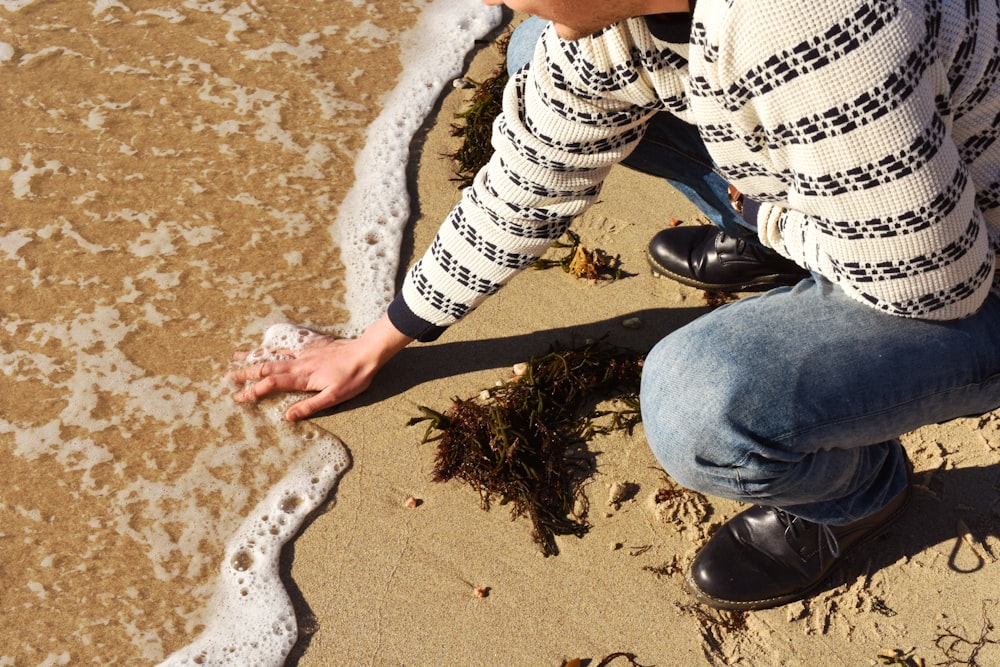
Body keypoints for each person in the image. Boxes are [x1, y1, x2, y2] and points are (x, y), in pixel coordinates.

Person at [228, 0, 1000, 611]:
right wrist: (381, 337)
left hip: (966, 265)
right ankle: (793, 241)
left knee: (699, 403)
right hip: (884, 197)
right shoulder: (621, 26)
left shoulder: (806, 19)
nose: (498, 2)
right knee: (539, 60)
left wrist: (772, 214)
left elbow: (939, 282)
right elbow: (534, 171)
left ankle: (859, 492)